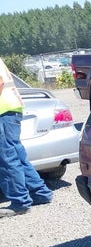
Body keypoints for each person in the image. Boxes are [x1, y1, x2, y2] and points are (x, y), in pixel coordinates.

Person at [0, 57, 53, 218]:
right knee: (16, 155)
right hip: (11, 109)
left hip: (3, 111)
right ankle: (40, 193)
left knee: (6, 158)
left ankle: (20, 202)